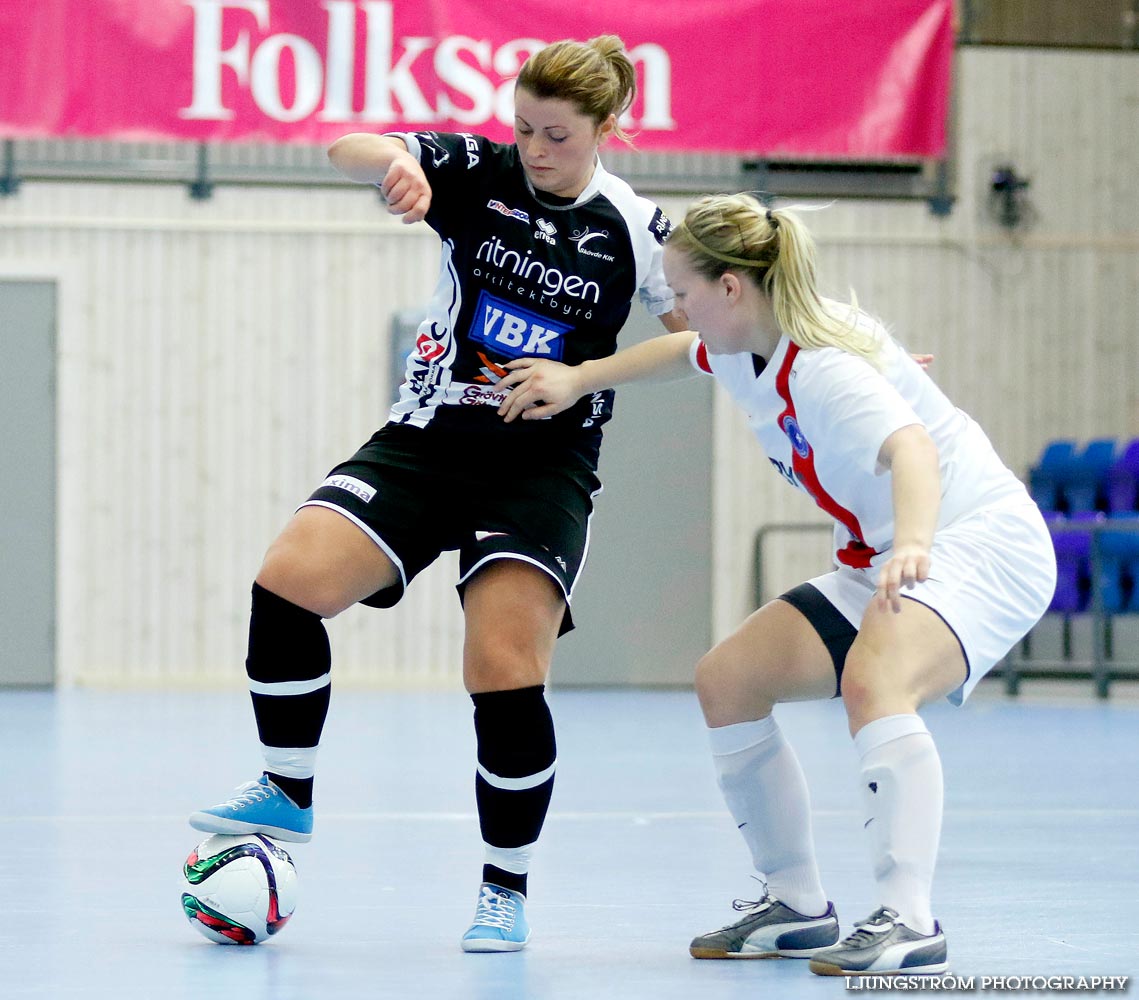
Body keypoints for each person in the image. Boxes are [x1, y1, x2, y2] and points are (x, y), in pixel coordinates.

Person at [188, 35, 688, 952]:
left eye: (558, 136)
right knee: (289, 578)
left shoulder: (638, 230)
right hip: (426, 439)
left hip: (542, 465)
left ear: (609, 130)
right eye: (525, 127)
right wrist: (397, 171)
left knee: (500, 665)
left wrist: (584, 378)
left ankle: (505, 889)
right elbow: (350, 144)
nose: (535, 149)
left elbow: (697, 339)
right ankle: (287, 788)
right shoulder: (479, 170)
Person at [496, 192, 1056, 976]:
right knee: (727, 680)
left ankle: (909, 917)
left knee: (876, 680)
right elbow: (675, 355)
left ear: (731, 289)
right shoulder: (736, 342)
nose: (676, 310)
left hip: (973, 542)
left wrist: (916, 544)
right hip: (880, 549)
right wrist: (580, 377)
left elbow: (914, 451)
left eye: (683, 293)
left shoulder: (825, 368)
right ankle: (794, 904)